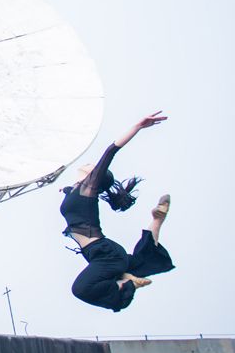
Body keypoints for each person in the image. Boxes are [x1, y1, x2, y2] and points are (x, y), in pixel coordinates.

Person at [63, 112, 175, 312]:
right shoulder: (75, 191)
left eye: (93, 166)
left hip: (105, 255)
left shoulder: (88, 188)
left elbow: (110, 151)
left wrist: (138, 127)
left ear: (94, 175)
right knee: (133, 262)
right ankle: (156, 222)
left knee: (81, 289)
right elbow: (69, 194)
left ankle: (126, 284)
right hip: (103, 253)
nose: (90, 164)